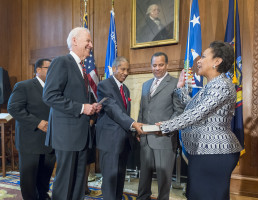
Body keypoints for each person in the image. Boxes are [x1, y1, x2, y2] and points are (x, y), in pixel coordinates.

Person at [155, 41, 243, 200]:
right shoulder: (212, 85)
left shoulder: (221, 85)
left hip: (215, 153)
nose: (199, 60)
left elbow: (196, 114)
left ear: (217, 61)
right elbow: (192, 107)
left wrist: (165, 126)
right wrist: (180, 88)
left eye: (203, 56)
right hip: (203, 152)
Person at [43, 27, 102, 200]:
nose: (91, 45)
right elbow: (50, 96)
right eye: (88, 41)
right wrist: (82, 108)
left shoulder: (81, 68)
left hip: (81, 135)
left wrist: (91, 107)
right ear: (74, 41)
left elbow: (74, 97)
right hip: (67, 136)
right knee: (65, 183)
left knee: (78, 183)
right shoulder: (62, 61)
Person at [137, 52, 184, 200]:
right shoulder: (145, 85)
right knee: (144, 177)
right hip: (145, 139)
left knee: (164, 180)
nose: (157, 68)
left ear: (167, 65)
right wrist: (138, 131)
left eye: (161, 65)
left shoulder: (175, 84)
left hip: (164, 139)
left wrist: (166, 127)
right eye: (154, 65)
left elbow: (179, 112)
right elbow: (142, 110)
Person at [96, 56, 144, 200]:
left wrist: (132, 130)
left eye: (127, 70)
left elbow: (123, 114)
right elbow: (113, 109)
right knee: (110, 179)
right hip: (110, 141)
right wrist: (133, 123)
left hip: (123, 140)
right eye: (123, 69)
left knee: (119, 177)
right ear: (114, 68)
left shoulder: (126, 89)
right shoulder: (104, 85)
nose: (126, 72)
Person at [7, 58, 56, 200]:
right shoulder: (24, 86)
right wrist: (37, 122)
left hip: (50, 141)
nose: (52, 71)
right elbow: (13, 108)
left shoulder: (54, 88)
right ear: (38, 70)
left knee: (45, 176)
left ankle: (43, 196)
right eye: (48, 68)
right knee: (29, 180)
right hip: (30, 141)